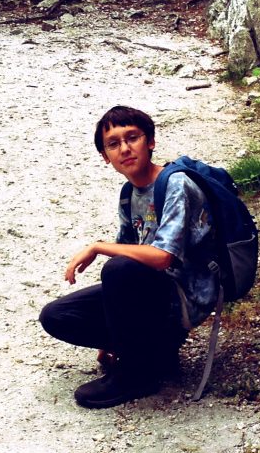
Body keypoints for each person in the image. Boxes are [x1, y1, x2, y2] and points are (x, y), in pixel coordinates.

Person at [39, 105, 218, 408]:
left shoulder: (176, 184)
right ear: (105, 157)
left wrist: (98, 246)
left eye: (132, 137)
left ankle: (137, 374)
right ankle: (153, 353)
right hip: (153, 292)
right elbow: (131, 257)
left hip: (184, 296)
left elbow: (162, 257)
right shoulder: (128, 193)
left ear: (150, 142)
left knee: (118, 269)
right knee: (56, 316)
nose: (124, 148)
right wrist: (114, 336)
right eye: (113, 144)